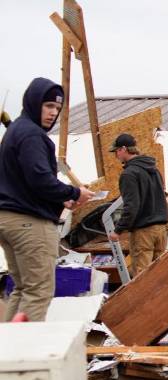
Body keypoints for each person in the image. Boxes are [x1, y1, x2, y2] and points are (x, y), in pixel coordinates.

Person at [0, 77, 95, 321]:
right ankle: (27, 345)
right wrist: (74, 193)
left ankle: (9, 342)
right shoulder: (32, 135)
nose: (53, 113)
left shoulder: (15, 131)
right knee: (38, 291)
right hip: (29, 224)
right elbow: (40, 178)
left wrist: (59, 200)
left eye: (57, 108)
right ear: (34, 103)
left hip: (9, 219)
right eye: (48, 105)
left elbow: (24, 182)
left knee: (22, 289)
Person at [107, 133, 168, 277]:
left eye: (117, 151)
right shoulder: (154, 169)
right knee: (159, 275)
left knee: (142, 278)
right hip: (161, 230)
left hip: (144, 232)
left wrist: (118, 230)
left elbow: (131, 206)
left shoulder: (129, 174)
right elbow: (162, 195)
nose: (116, 155)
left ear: (124, 149)